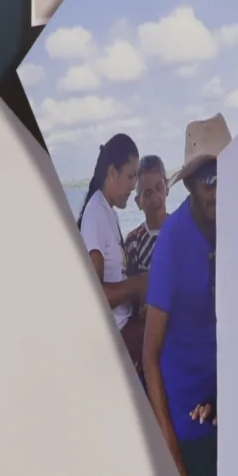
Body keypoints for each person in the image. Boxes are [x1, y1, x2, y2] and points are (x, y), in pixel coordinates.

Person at [142, 115, 227, 476]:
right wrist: (171, 456)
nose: (217, 187)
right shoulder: (172, 242)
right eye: (207, 178)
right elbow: (149, 355)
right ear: (192, 184)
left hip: (228, 415)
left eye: (224, 174)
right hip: (186, 428)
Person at [75, 134, 146, 367]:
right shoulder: (96, 213)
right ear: (112, 171)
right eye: (130, 175)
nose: (134, 185)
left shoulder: (110, 213)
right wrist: (140, 283)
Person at [123, 155, 170, 288]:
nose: (155, 196)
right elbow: (131, 289)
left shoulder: (183, 231)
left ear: (167, 188)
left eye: (159, 187)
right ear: (138, 202)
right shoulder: (133, 242)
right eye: (148, 193)